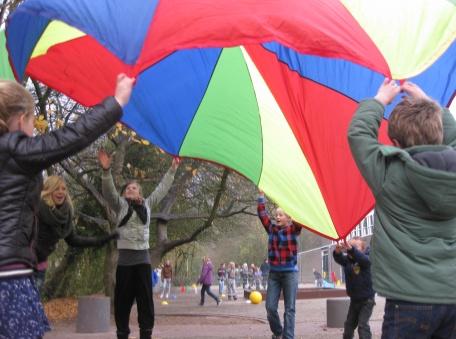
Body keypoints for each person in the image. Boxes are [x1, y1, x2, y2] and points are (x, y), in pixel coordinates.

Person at [0, 74, 133, 338]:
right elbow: (70, 137)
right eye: (32, 122)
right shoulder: (16, 150)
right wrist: (116, 102)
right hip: (9, 277)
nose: (33, 132)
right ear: (20, 118)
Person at [348, 78, 456, 337]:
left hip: (408, 298)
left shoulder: (388, 174)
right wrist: (430, 104)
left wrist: (379, 100)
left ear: (394, 142)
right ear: (439, 131)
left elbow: (359, 135)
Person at [99, 150, 179, 339]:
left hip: (142, 261)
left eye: (134, 188)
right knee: (122, 302)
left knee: (145, 302)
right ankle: (122, 333)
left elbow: (162, 188)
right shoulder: (121, 206)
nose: (130, 190)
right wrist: (106, 171)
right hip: (125, 262)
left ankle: (146, 334)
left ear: (140, 192)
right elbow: (109, 192)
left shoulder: (148, 205)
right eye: (127, 189)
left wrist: (173, 169)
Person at [35, 175, 117, 291]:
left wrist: (103, 239)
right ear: (48, 190)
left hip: (40, 266)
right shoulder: (37, 208)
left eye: (63, 189)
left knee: (32, 306)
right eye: (57, 188)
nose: (61, 192)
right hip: (23, 264)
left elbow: (74, 240)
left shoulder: (65, 214)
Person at [258, 190, 301, 339]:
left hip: (290, 274)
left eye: (280, 215)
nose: (277, 217)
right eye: (276, 215)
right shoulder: (271, 230)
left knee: (290, 309)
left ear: (289, 218)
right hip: (274, 274)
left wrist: (294, 200)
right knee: (270, 307)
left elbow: (300, 217)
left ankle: (288, 337)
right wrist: (261, 197)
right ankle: (278, 332)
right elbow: (263, 216)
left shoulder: (293, 229)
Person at [333, 237, 375, 339]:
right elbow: (339, 258)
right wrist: (337, 252)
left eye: (355, 247)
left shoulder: (367, 259)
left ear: (363, 249)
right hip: (354, 300)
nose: (350, 248)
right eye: (348, 246)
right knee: (348, 325)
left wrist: (352, 250)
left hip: (367, 300)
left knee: (362, 325)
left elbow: (363, 260)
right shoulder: (348, 260)